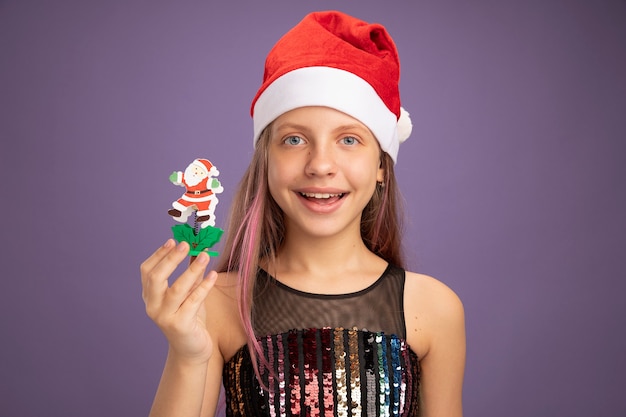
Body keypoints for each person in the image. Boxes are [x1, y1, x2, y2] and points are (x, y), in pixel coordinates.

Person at [141, 10, 465, 417]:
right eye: (294, 139)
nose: (320, 165)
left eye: (349, 139)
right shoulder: (216, 302)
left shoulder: (433, 308)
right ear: (266, 161)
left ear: (382, 165)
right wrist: (187, 355)